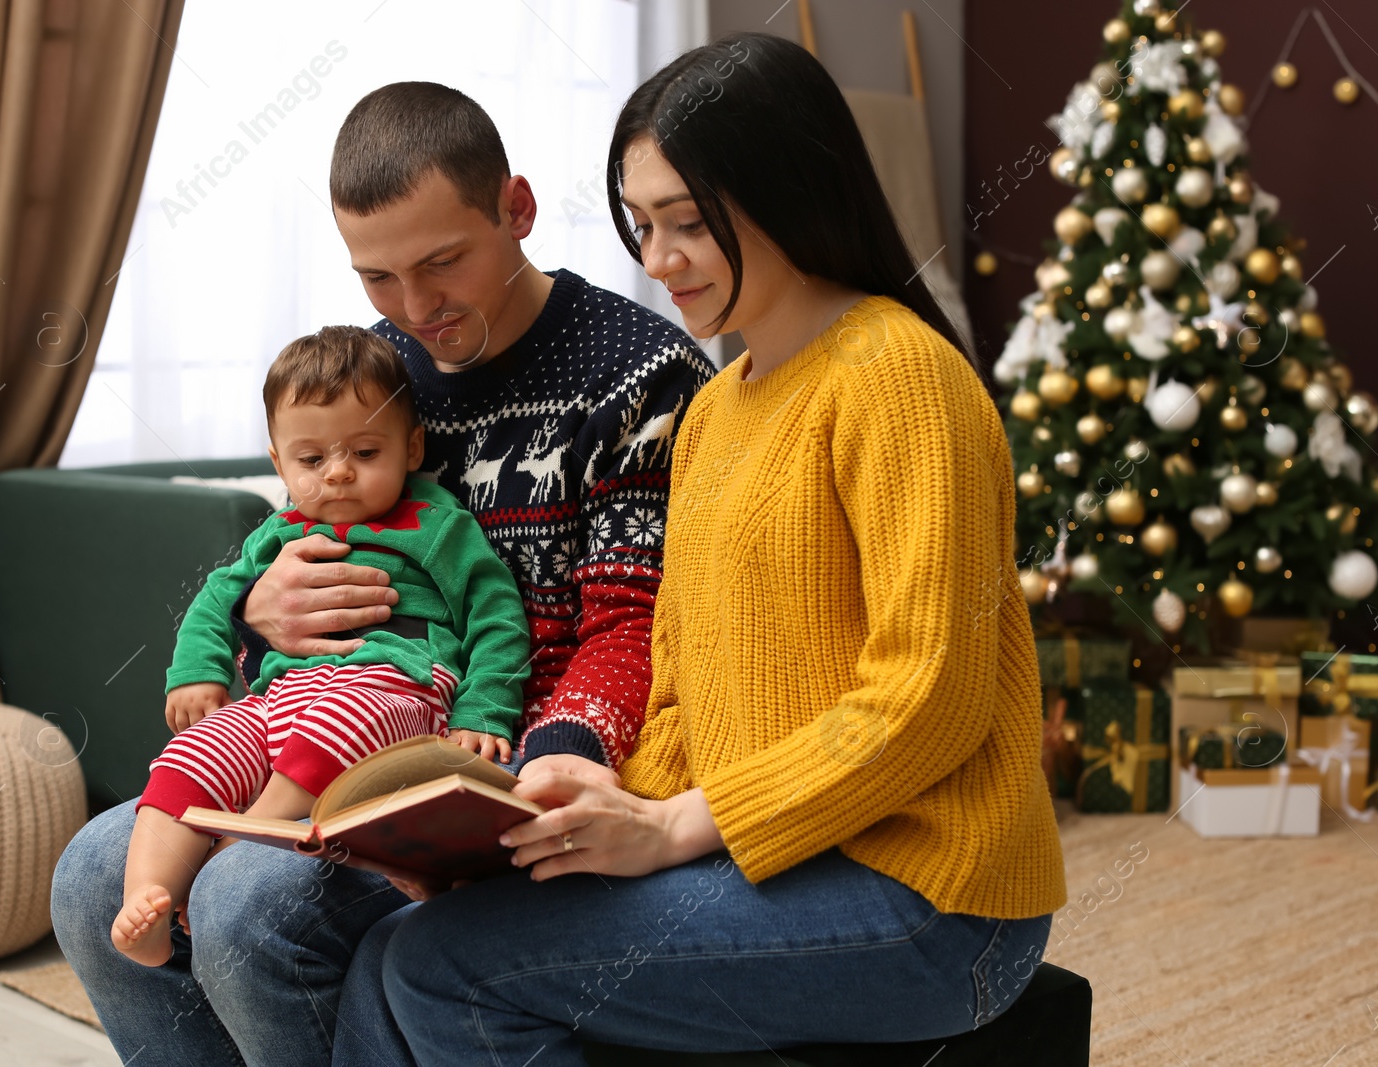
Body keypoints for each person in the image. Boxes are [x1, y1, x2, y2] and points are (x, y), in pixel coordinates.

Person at [328, 33, 1067, 1065]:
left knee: (445, 968)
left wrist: (675, 827)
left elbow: (927, 697)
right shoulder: (717, 411)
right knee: (402, 944)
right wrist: (598, 807)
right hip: (779, 859)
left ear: (788, 191)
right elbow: (676, 677)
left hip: (931, 899)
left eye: (686, 222)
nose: (656, 257)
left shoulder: (899, 377)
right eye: (641, 223)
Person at [51, 82, 712, 1066]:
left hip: (512, 771)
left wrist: (518, 776)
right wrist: (257, 622)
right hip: (349, 726)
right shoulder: (383, 366)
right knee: (92, 871)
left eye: (443, 262)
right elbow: (294, 529)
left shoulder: (640, 376)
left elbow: (638, 626)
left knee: (245, 900)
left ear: (517, 209)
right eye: (377, 277)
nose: (416, 309)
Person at [110, 326, 530, 967]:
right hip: (281, 696)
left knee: (343, 717)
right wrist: (196, 671)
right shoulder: (277, 533)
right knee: (192, 750)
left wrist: (483, 712)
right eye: (311, 461)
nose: (337, 473)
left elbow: (498, 619)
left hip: (395, 689)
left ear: (411, 446)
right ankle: (149, 894)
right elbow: (218, 598)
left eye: (365, 451)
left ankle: (246, 839)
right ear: (279, 465)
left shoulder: (439, 526)